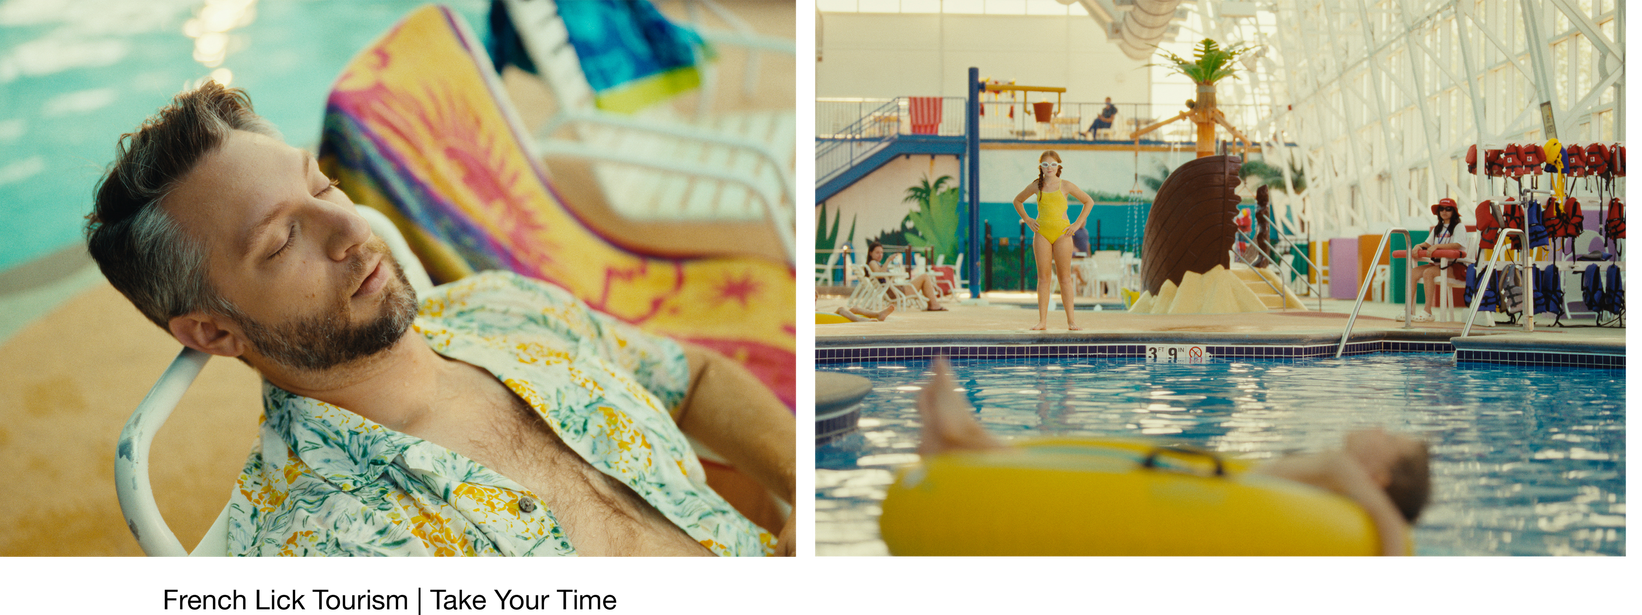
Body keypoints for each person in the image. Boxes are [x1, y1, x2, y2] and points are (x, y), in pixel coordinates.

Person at [86, 83, 794, 559]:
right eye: (280, 240)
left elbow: (691, 376)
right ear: (214, 333)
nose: (349, 227)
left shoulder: (506, 306)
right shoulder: (328, 540)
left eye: (320, 183)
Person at [912, 357, 1430, 558]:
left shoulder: (1349, 478)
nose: (1382, 426)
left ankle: (964, 438)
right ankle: (961, 441)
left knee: (1087, 472)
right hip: (1211, 488)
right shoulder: (1340, 482)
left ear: (1379, 475)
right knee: (1087, 458)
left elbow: (1391, 530)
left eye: (1392, 438)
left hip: (1204, 496)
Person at [1009, 151, 1096, 331]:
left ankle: (1071, 321)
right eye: (1045, 165)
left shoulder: (1066, 185)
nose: (1049, 168)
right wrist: (1027, 219)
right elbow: (1017, 200)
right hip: (1042, 233)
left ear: (1059, 166)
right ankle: (1042, 322)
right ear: (1040, 167)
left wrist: (1077, 224)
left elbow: (1088, 201)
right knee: (1044, 279)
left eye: (1053, 164)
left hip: (1063, 234)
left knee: (1065, 279)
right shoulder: (1036, 186)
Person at [1407, 199, 1470, 322]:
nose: (1444, 211)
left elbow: (1457, 244)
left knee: (1428, 273)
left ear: (1454, 211)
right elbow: (1427, 243)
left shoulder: (1459, 226)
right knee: (1413, 272)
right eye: (1441, 209)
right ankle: (1408, 310)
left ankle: (1427, 311)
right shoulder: (1438, 228)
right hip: (1439, 264)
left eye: (1448, 209)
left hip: (1455, 266)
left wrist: (1437, 246)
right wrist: (1418, 246)